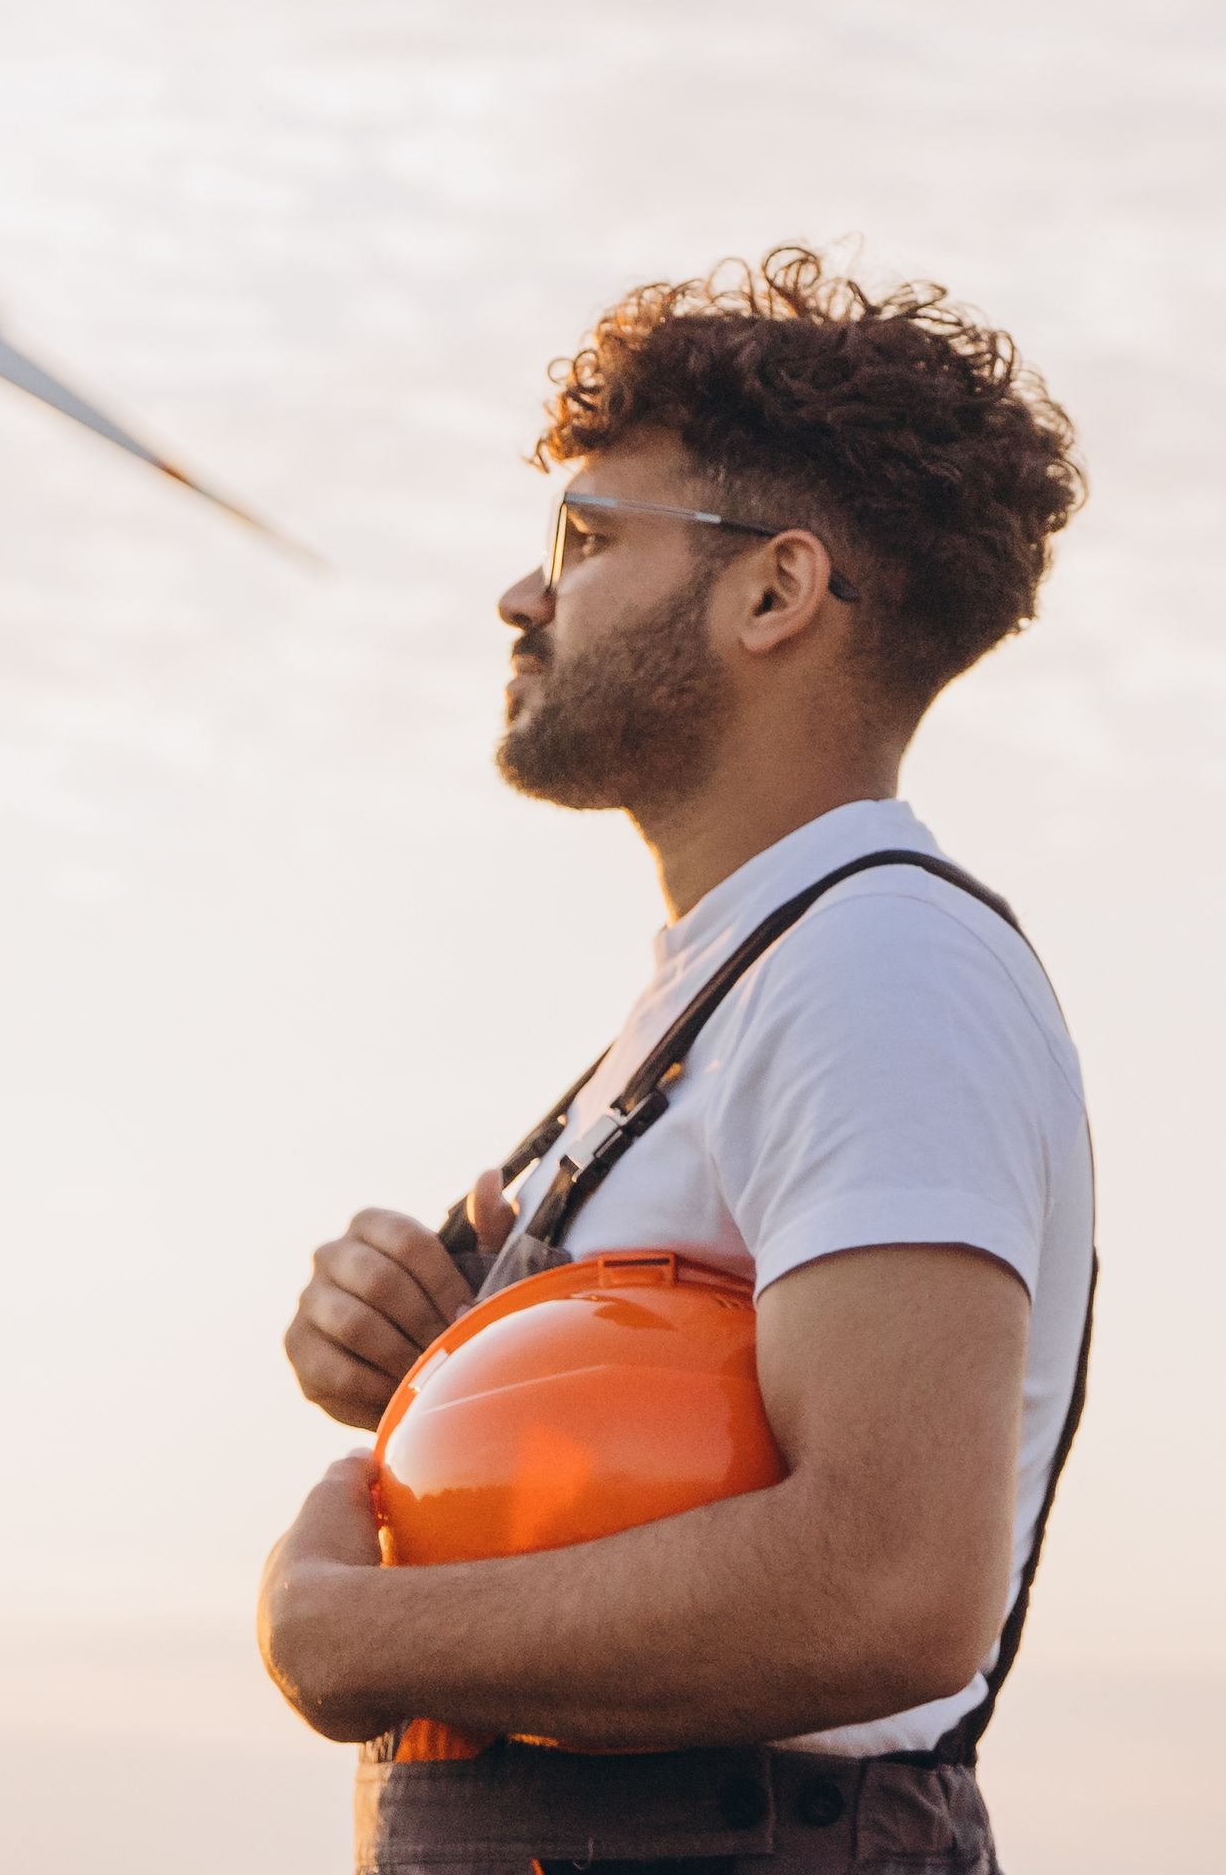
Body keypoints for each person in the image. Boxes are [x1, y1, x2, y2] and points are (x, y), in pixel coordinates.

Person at [263, 250, 1100, 1875]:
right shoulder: (754, 977)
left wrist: (344, 1634)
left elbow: (887, 1584)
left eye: (584, 541)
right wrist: (440, 1376)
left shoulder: (882, 968)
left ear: (772, 594)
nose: (523, 596)